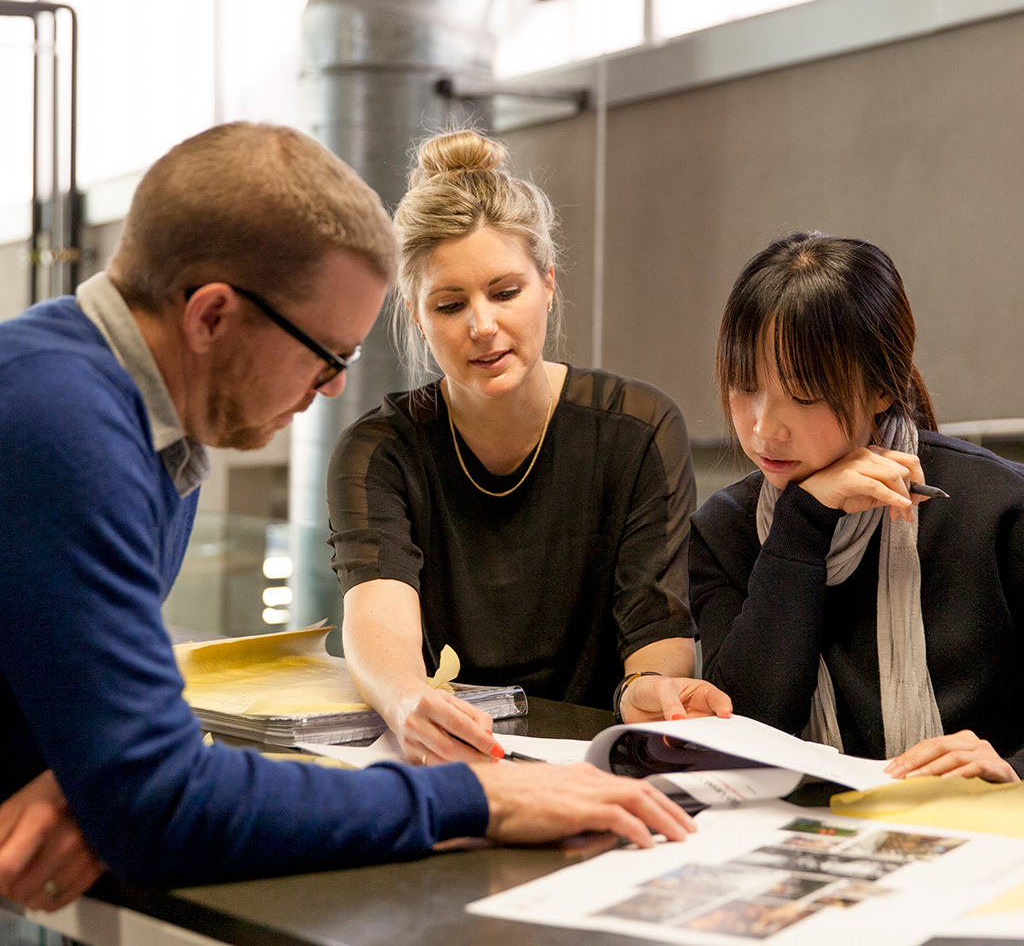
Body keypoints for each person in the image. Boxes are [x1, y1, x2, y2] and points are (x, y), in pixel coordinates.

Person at [0, 122, 706, 912]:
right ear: (211, 317)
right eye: (326, 354)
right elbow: (160, 805)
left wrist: (90, 776)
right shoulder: (63, 430)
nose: (333, 387)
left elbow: (116, 755)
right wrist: (480, 798)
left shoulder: (135, 423)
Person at [327, 128, 732, 768]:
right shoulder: (379, 451)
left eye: (505, 292)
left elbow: (656, 624)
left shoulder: (638, 428)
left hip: (594, 765)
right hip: (447, 762)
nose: (482, 325)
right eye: (450, 304)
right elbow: (377, 617)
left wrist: (650, 687)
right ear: (417, 317)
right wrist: (407, 700)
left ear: (548, 283)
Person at [689, 231, 1024, 783]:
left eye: (803, 395)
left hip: (979, 826)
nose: (763, 427)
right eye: (744, 387)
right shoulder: (724, 530)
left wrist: (1013, 773)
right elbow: (745, 732)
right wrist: (803, 523)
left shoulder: (996, 508)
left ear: (880, 389)